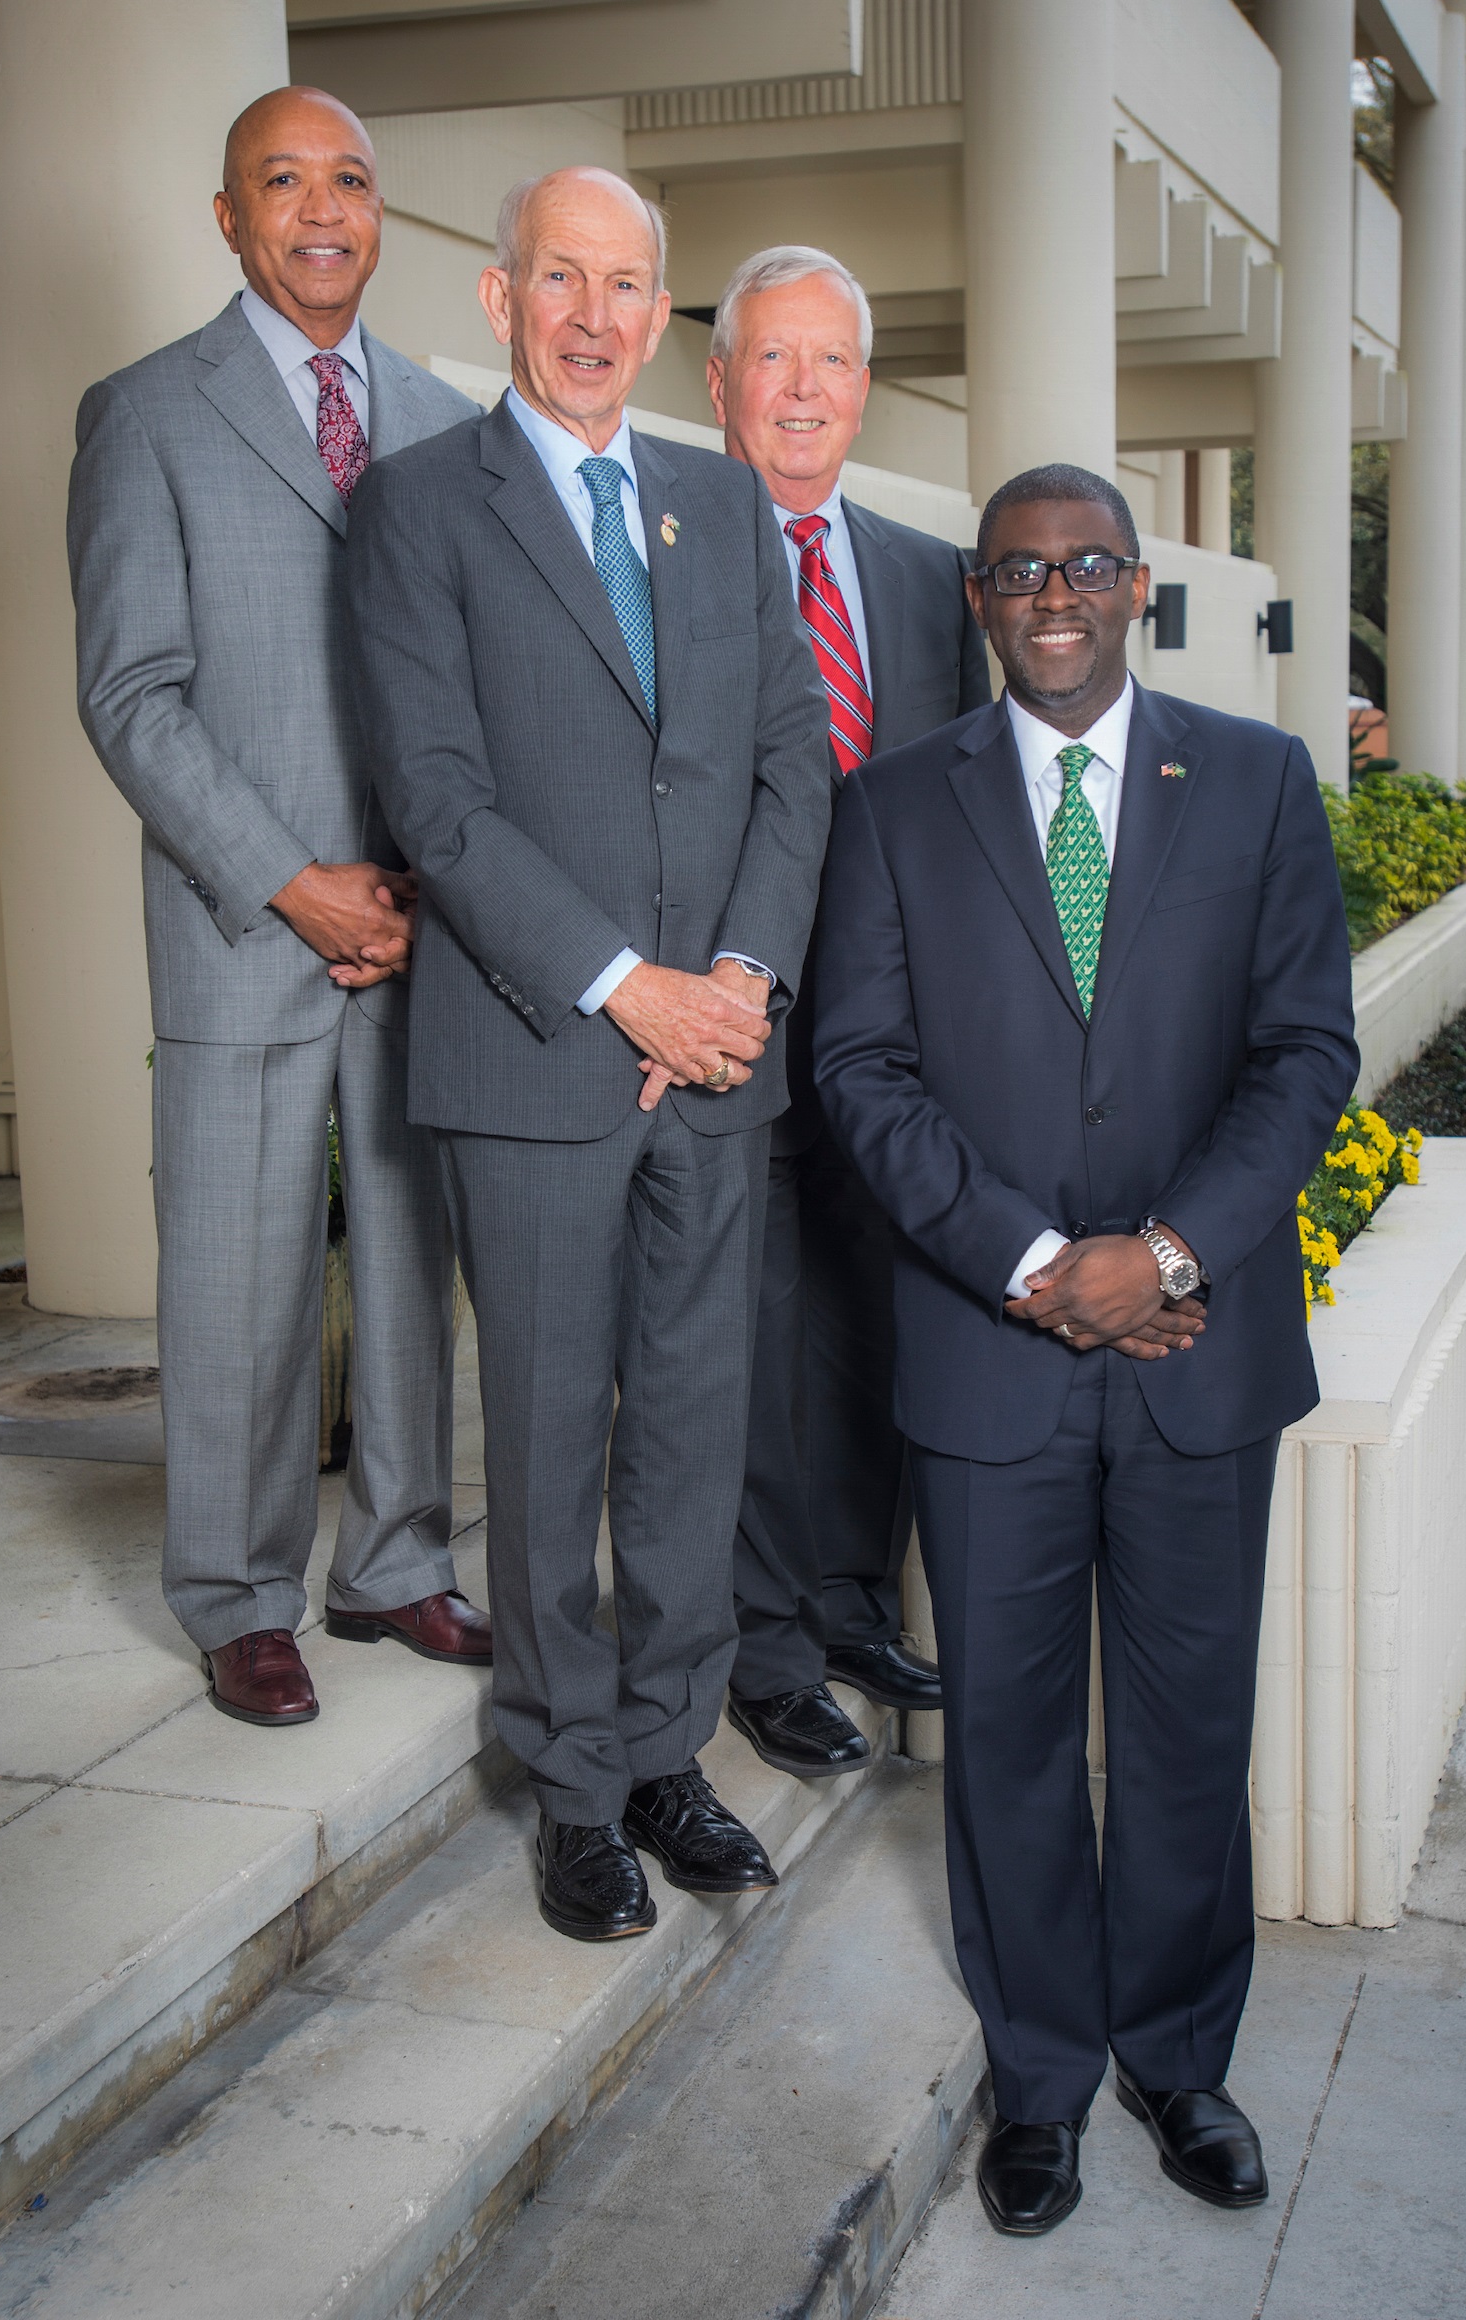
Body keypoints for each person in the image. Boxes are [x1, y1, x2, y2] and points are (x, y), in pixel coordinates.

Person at [813, 464, 1357, 2236]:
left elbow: (1303, 1057)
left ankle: (1180, 2060)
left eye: (1085, 564)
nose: (1051, 592)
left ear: (1137, 592)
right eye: (1016, 568)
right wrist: (1045, 1265)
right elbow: (860, 1073)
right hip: (993, 1364)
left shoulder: (1261, 780)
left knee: (1192, 1727)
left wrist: (1170, 1250)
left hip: (1201, 1346)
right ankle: (1040, 2076)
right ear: (979, 597)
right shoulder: (895, 804)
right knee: (1018, 1741)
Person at [347, 169, 831, 1941]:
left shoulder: (719, 503)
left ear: (661, 312)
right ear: (501, 298)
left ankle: (662, 1750)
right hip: (540, 1057)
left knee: (695, 1434)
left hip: (720, 1057)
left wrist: (741, 983)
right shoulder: (416, 510)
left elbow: (794, 763)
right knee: (550, 1438)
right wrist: (631, 986)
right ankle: (567, 1783)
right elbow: (440, 805)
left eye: (629, 286)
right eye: (565, 277)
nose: (597, 316)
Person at [68, 87, 489, 1727]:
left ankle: (393, 1561)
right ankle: (238, 1595)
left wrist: (424, 887)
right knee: (235, 1276)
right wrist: (291, 881)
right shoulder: (148, 412)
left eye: (354, 181)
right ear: (229, 217)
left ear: (382, 216)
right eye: (284, 182)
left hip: (418, 929)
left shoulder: (448, 422)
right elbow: (131, 694)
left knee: (408, 1257)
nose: (323, 208)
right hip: (247, 919)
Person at [705, 247, 989, 1781]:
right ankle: (761, 1644)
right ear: (721, 383)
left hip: (889, 1037)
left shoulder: (917, 577)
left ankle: (852, 1600)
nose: (803, 389)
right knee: (744, 1338)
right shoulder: (670, 547)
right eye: (773, 359)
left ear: (864, 391)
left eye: (830, 362)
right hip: (728, 1019)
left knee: (877, 1317)